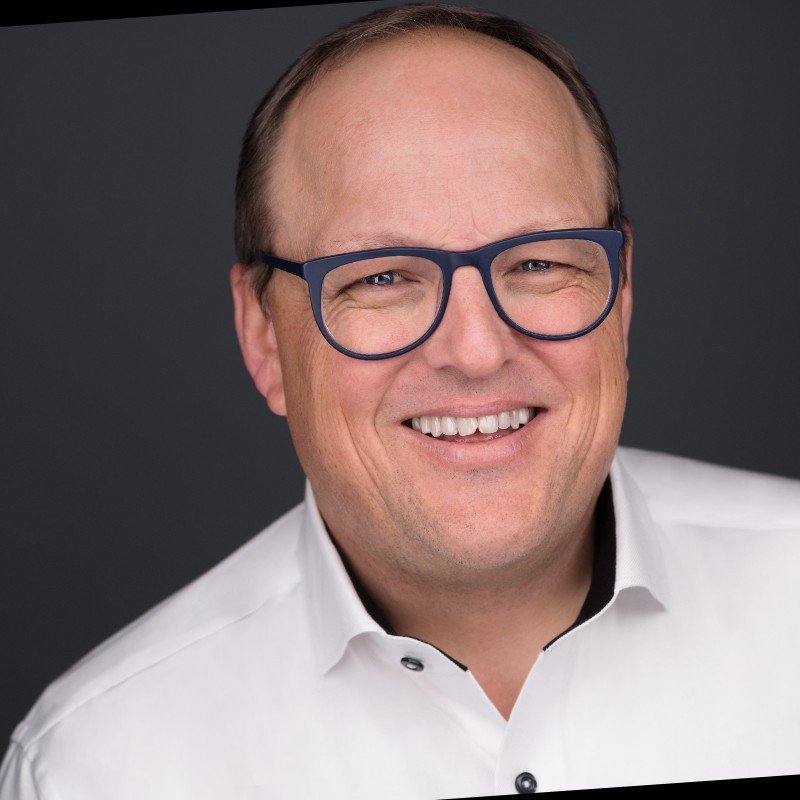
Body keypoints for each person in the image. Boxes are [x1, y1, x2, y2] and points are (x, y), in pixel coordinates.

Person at [2, 3, 799, 797]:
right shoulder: (95, 766)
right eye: (381, 277)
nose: (477, 351)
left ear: (620, 292)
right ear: (263, 335)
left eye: (539, 263)